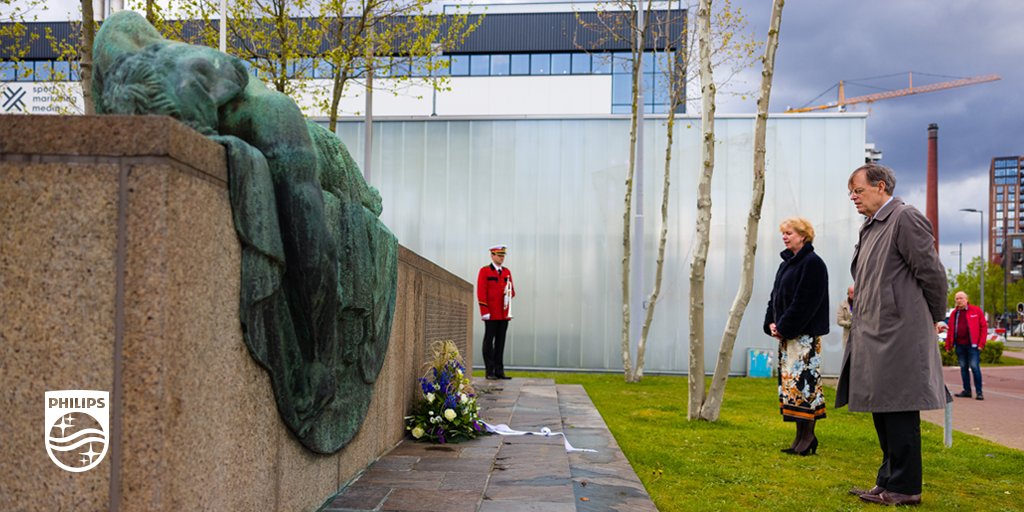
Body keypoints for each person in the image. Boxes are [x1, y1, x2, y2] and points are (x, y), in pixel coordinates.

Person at [837, 163, 949, 507]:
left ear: (881, 186)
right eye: (851, 193)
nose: (854, 198)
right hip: (874, 331)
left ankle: (905, 487)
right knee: (882, 407)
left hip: (899, 332)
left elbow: (932, 273)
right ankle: (887, 480)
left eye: (859, 191)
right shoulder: (871, 227)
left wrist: (935, 317)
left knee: (899, 409)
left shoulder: (904, 218)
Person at [763, 217, 829, 456]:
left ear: (803, 235)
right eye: (784, 233)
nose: (785, 237)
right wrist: (771, 323)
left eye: (789, 233)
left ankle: (807, 437)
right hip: (787, 336)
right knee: (791, 388)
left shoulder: (813, 263)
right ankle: (800, 438)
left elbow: (805, 303)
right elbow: (775, 296)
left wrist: (784, 326)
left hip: (804, 338)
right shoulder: (787, 264)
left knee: (804, 386)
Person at [477, 245, 515, 380]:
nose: (501, 257)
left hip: (503, 314)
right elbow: (481, 292)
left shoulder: (507, 272)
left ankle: (499, 371)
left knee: (500, 342)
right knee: (489, 342)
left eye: (503, 255)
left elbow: (513, 292)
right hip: (491, 313)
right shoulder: (485, 271)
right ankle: (490, 371)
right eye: (499, 255)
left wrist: (508, 292)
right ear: (492, 255)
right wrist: (484, 310)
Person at [945, 291, 986, 400]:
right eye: (957, 299)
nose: (959, 301)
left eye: (961, 298)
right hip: (960, 345)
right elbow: (950, 330)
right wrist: (948, 345)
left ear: (966, 299)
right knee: (963, 368)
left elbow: (983, 327)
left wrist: (981, 343)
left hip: (973, 346)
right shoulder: (954, 313)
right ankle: (967, 390)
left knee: (974, 367)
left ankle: (979, 392)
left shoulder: (976, 311)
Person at [836, 285, 854, 350]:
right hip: (848, 337)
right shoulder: (843, 305)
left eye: (855, 292)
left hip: (861, 338)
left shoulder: (862, 303)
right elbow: (839, 321)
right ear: (848, 294)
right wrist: (849, 323)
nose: (854, 294)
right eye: (852, 292)